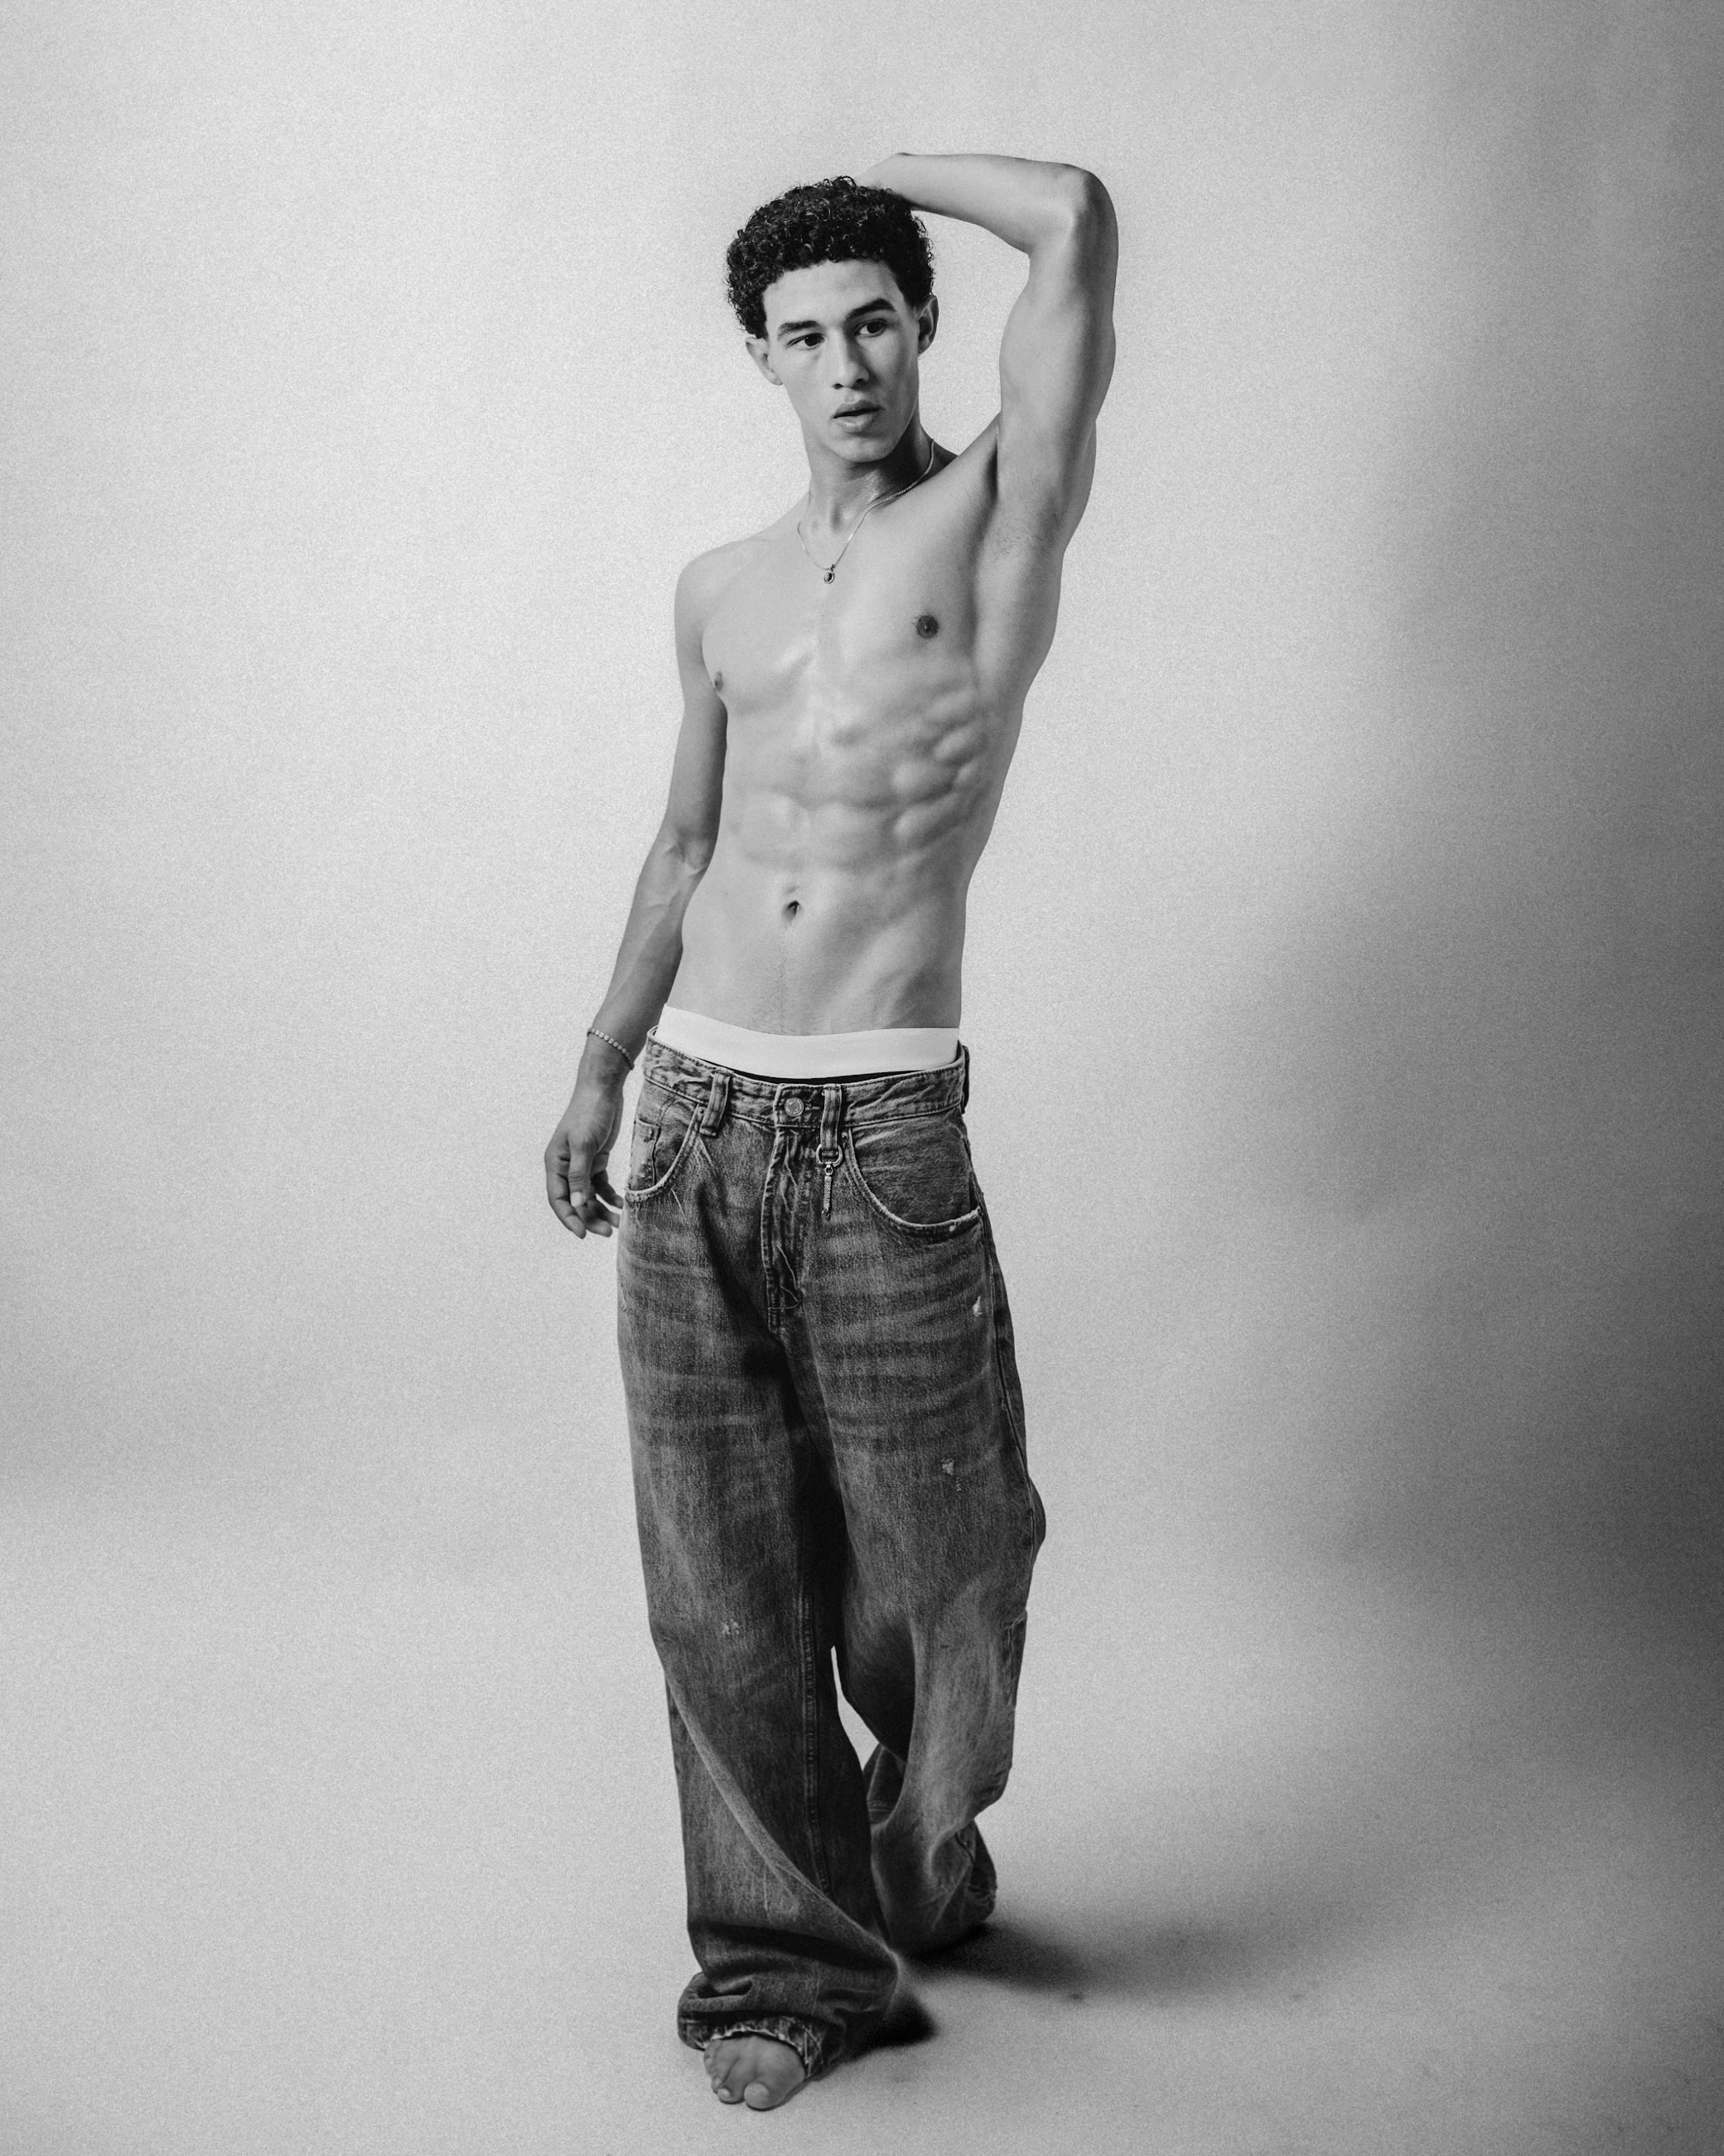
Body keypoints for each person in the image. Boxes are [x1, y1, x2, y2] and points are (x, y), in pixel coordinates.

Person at [543, 152, 1117, 2111]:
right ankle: (786, 1965)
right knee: (717, 1578)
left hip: (880, 1122)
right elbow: (681, 840)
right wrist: (599, 1063)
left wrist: (874, 170)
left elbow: (1073, 217)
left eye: (873, 318)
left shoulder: (997, 511)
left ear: (920, 325)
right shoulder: (713, 588)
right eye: (804, 334)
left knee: (946, 1568)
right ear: (764, 360)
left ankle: (915, 1853)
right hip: (694, 1113)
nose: (845, 362)